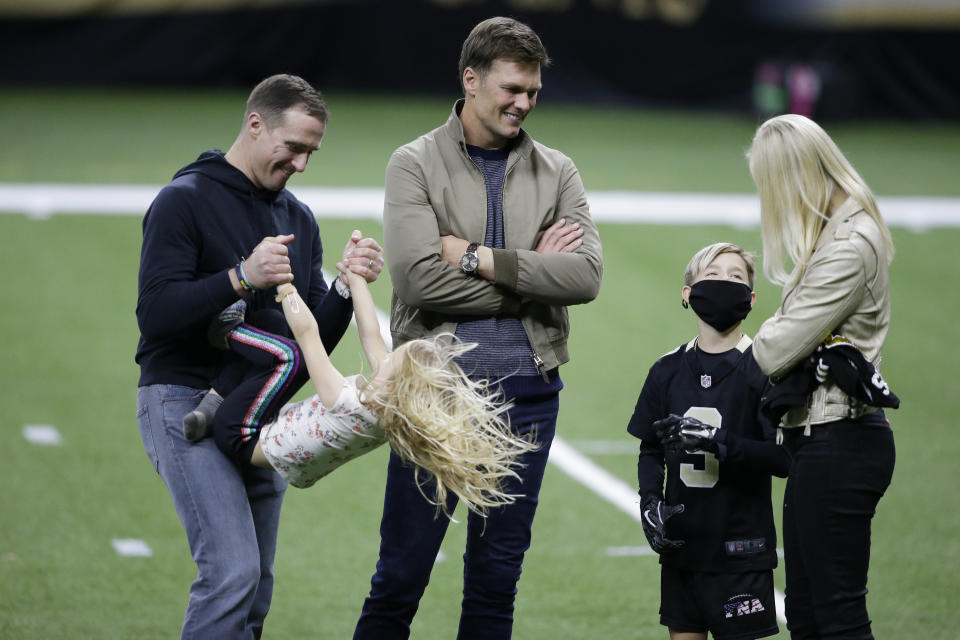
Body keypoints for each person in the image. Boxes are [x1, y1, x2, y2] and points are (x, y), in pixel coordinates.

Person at [354, 16, 603, 639]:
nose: (524, 103)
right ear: (471, 79)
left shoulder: (559, 170)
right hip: (432, 394)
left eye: (534, 93)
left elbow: (585, 278)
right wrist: (532, 274)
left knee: (496, 581)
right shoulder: (412, 162)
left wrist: (477, 256)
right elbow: (415, 282)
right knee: (401, 577)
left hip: (528, 396)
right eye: (512, 89)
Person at [135, 74, 383, 640]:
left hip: (260, 412)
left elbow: (310, 339)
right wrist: (240, 277)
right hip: (184, 398)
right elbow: (155, 316)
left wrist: (346, 286)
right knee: (232, 574)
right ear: (254, 124)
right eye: (292, 147)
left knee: (256, 588)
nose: (300, 163)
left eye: (310, 153)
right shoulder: (184, 200)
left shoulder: (297, 218)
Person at [198, 252, 535, 518]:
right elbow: (371, 334)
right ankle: (216, 395)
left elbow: (307, 335)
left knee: (287, 356)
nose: (387, 357)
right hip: (273, 438)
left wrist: (285, 287)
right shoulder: (388, 408)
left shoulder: (347, 401)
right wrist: (355, 279)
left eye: (394, 359)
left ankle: (227, 328)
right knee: (273, 332)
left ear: (396, 385)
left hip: (239, 434)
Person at [747, 114, 896, 640]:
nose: (770, 199)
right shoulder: (837, 236)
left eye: (770, 184)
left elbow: (774, 349)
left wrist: (762, 334)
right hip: (820, 441)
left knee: (836, 618)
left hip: (840, 442)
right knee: (810, 615)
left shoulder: (849, 246)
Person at [627, 242, 791, 640]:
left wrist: (717, 441)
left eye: (736, 276)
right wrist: (650, 502)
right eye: (712, 274)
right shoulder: (666, 369)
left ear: (751, 299)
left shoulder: (764, 370)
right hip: (682, 549)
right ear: (688, 293)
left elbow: (784, 460)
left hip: (741, 552)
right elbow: (650, 448)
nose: (724, 282)